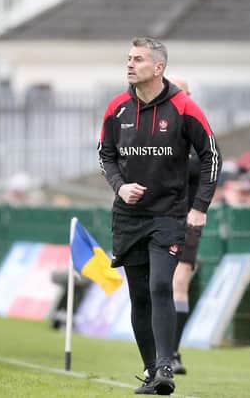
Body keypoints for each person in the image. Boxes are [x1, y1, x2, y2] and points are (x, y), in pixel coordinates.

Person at [98, 37, 221, 395]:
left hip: (169, 216)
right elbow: (105, 155)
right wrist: (120, 186)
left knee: (161, 285)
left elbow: (212, 155)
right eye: (129, 58)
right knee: (139, 295)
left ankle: (167, 364)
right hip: (128, 217)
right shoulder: (117, 107)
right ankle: (152, 371)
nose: (130, 64)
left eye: (138, 59)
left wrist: (199, 207)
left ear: (158, 67)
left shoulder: (184, 107)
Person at [166, 75, 201, 375]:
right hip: (155, 220)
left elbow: (207, 172)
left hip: (187, 221)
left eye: (186, 93)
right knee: (156, 285)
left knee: (179, 283)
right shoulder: (151, 130)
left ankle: (173, 352)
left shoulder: (197, 132)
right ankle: (157, 349)